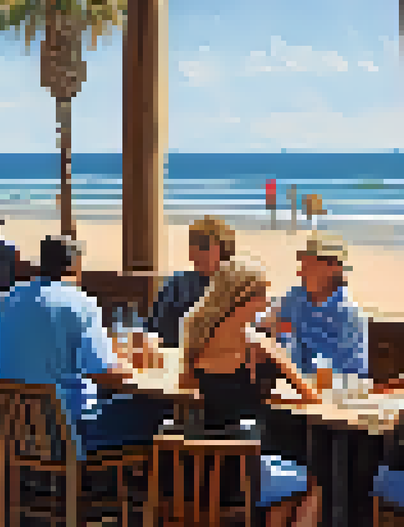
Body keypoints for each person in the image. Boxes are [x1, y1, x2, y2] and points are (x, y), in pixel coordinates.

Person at [177, 256, 323, 527]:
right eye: (263, 296)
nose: (267, 303)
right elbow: (310, 394)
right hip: (244, 470)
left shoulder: (197, 337)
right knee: (317, 481)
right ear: (244, 299)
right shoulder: (256, 345)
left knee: (281, 492)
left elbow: (188, 385)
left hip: (203, 468)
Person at [0, 236, 170, 459]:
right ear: (75, 266)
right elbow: (100, 372)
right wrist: (132, 370)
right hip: (69, 430)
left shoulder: (13, 297)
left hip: (18, 425)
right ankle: (144, 486)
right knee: (157, 410)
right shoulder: (80, 303)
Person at [261, 234, 368, 376]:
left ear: (332, 269)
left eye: (308, 267)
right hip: (285, 382)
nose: (300, 273)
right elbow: (259, 319)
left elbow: (352, 375)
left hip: (322, 392)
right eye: (302, 266)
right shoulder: (295, 298)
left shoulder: (349, 317)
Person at [149, 216, 234, 348]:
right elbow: (154, 331)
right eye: (193, 245)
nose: (194, 254)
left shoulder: (237, 287)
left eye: (203, 246)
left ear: (222, 249)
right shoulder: (175, 286)